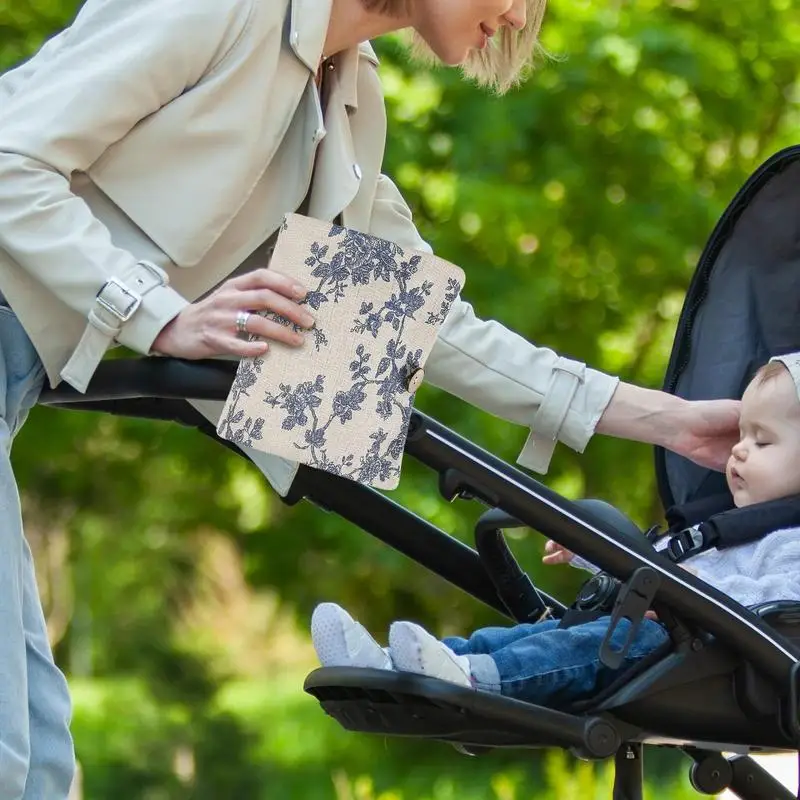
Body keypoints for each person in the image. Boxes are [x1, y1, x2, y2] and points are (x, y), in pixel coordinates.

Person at [0, 0, 741, 796]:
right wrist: (160, 314)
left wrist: (672, 423)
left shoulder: (348, 95)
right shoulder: (221, 8)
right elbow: (10, 154)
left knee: (34, 760)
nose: (522, 13)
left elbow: (427, 321)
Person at [311, 355, 800, 708]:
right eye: (740, 435)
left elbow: (779, 606)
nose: (737, 450)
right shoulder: (720, 528)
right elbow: (653, 560)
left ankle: (472, 677)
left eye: (762, 440)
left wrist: (683, 597)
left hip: (698, 663)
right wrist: (590, 548)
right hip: (655, 639)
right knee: (533, 636)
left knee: (562, 648)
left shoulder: (790, 543)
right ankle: (392, 667)